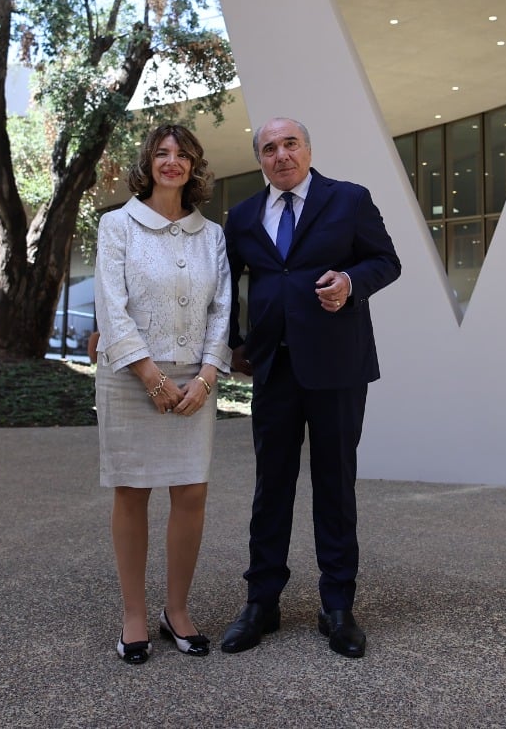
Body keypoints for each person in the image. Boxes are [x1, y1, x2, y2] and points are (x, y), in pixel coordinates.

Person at [219, 117, 401, 659]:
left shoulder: (348, 199)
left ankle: (338, 606)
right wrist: (233, 343)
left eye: (289, 144)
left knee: (335, 485)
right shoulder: (244, 215)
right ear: (260, 161)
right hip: (273, 368)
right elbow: (227, 283)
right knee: (270, 486)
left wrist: (350, 283)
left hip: (338, 368)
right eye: (269, 148)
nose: (281, 155)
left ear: (308, 149)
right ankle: (262, 602)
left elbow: (386, 261)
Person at [94, 123, 232, 664]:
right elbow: (110, 304)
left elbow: (222, 308)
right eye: (162, 153)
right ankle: (133, 613)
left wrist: (205, 379)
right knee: (131, 491)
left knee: (191, 493)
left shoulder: (213, 235)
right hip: (131, 377)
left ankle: (177, 610)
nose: (171, 162)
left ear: (195, 166)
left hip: (194, 382)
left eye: (182, 155)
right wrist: (150, 376)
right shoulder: (117, 225)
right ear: (148, 162)